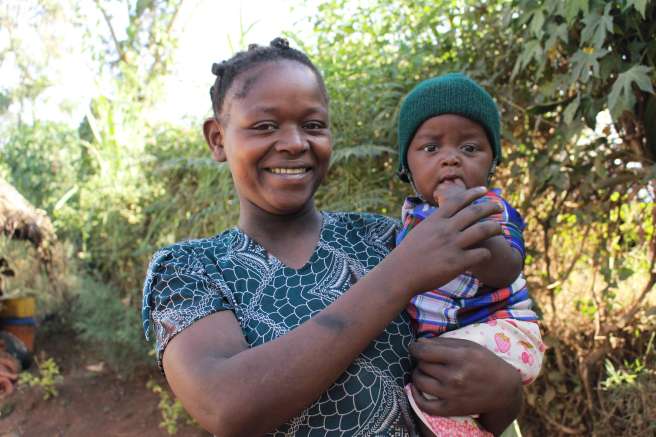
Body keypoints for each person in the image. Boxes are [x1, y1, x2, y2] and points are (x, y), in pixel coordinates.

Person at [142, 38, 524, 436]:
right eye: (265, 126)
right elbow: (225, 406)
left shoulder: (390, 237)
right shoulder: (189, 270)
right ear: (218, 139)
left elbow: (473, 388)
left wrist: (506, 394)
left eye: (312, 125)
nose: (294, 143)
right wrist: (402, 273)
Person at [395, 73, 545, 436]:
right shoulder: (406, 225)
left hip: (504, 336)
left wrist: (465, 218)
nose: (450, 160)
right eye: (431, 149)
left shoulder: (491, 208)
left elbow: (506, 267)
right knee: (425, 386)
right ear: (407, 168)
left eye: (470, 149)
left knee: (428, 391)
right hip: (461, 344)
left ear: (492, 163)